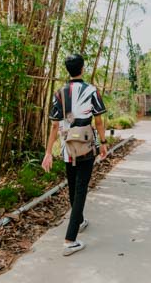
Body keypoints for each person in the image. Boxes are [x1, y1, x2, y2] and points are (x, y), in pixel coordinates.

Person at [42, 53, 108, 256]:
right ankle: (70, 239)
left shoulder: (60, 93)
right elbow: (98, 122)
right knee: (80, 189)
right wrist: (103, 143)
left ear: (67, 70)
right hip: (86, 145)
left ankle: (78, 221)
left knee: (73, 186)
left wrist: (48, 153)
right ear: (83, 68)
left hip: (67, 146)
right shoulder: (91, 91)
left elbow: (54, 125)